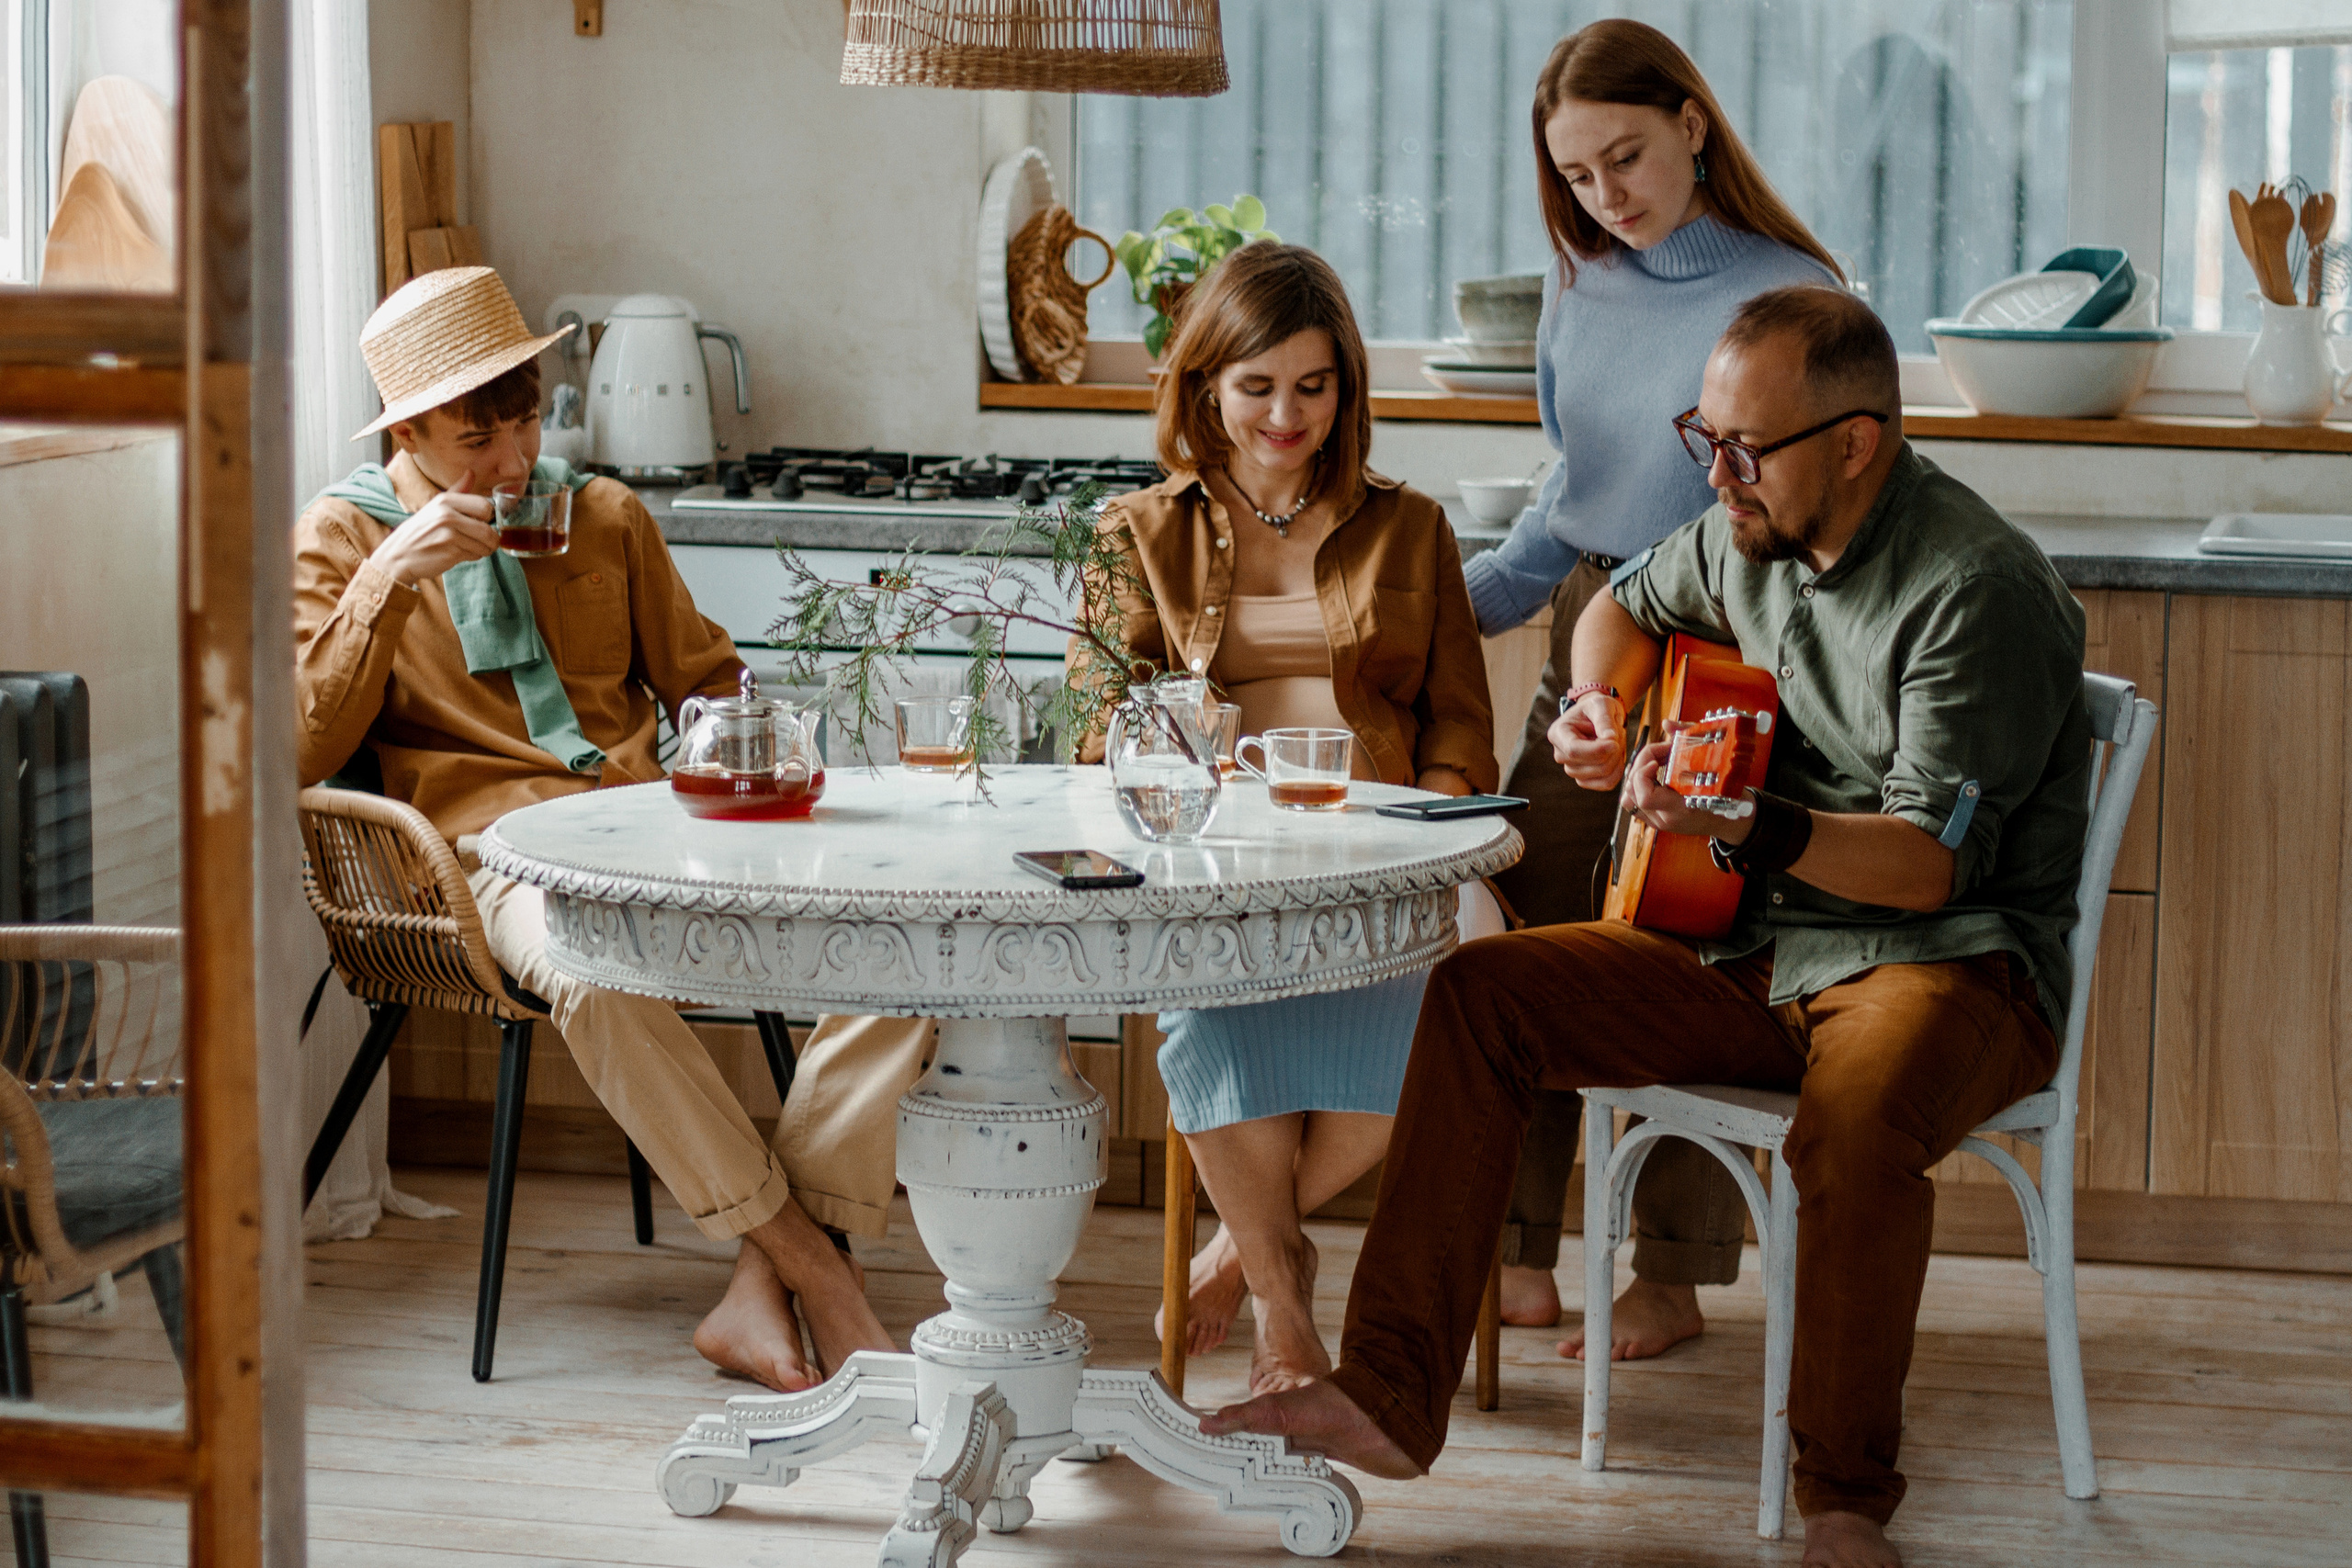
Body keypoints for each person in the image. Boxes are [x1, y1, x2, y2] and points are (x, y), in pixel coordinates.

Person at [1205, 286, 2089, 1568]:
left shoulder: (1974, 588)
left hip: (1947, 961)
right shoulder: (1751, 527)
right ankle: (1391, 1395)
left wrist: (1743, 817)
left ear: (1857, 443)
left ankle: (1844, 1502)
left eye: (1748, 447)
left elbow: (1920, 868)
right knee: (1481, 992)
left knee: (1850, 1124)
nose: (1716, 474)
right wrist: (1599, 705)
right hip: (1760, 942)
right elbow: (1617, 605)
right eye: (1704, 437)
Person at [292, 266, 931, 1393]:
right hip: (487, 865)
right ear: (407, 430)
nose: (510, 461)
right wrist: (391, 579)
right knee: (597, 966)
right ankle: (820, 1278)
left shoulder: (601, 514)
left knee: (915, 932)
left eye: (527, 419)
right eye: (473, 437)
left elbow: (703, 680)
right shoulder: (344, 539)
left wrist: (733, 730)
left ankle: (757, 1283)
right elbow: (298, 748)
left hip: (655, 832)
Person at [1464, 17, 1847, 1361]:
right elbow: (1565, 507)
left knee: (1689, 950)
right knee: (1511, 923)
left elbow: (1817, 530)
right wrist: (1437, 609)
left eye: (1624, 156)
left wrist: (1677, 668)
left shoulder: (1794, 293)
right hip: (1593, 632)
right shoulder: (1580, 288)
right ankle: (1513, 1247)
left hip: (1732, 653)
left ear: (1691, 123)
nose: (1606, 194)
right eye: (1576, 176)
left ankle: (1671, 1269)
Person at [1077, 242, 1506, 1393]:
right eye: (1256, 386)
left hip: (1387, 839)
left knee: (1463, 1006)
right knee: (1209, 1019)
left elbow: (1461, 725)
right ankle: (1285, 1325)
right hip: (1219, 843)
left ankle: (1239, 1251)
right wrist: (1166, 735)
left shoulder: (1408, 526)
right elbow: (1085, 730)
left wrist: (1439, 826)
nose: (1285, 414)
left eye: (1312, 387)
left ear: (1345, 389)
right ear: (1205, 384)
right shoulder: (1133, 532)